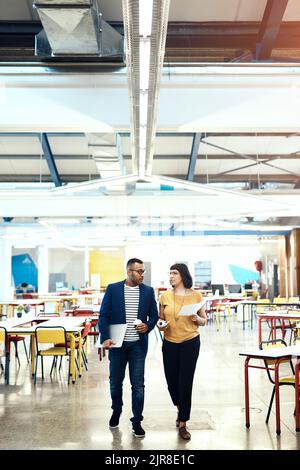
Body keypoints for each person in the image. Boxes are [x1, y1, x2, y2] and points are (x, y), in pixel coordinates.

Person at [99, 258, 158, 438]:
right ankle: (116, 410)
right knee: (115, 382)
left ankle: (137, 420)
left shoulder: (148, 291)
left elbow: (154, 315)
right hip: (117, 345)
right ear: (129, 271)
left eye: (143, 271)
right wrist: (106, 337)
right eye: (139, 271)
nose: (142, 274)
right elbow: (103, 315)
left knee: (138, 384)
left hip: (138, 346)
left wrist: (148, 326)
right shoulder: (113, 288)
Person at [158, 263, 207, 440]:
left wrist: (197, 318)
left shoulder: (196, 295)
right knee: (172, 382)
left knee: (185, 381)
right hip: (170, 342)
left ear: (183, 275)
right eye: (170, 273)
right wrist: (160, 325)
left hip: (190, 342)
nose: (171, 276)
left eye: (175, 273)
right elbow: (160, 320)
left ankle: (183, 423)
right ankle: (180, 408)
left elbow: (204, 321)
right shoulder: (164, 296)